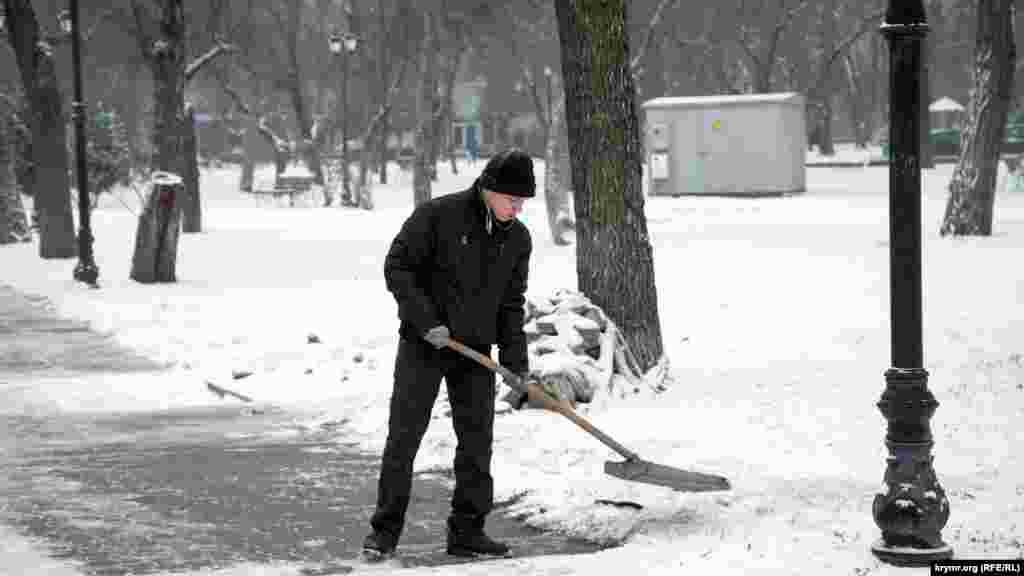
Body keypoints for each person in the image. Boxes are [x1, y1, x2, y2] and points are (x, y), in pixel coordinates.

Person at [364, 149, 535, 559]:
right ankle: (383, 534)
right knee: (404, 438)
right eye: (512, 198)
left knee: (477, 443)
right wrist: (426, 321)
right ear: (489, 189)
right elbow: (397, 267)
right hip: (424, 345)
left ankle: (467, 532)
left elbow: (512, 304)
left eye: (523, 201)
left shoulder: (518, 239)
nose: (518, 207)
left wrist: (516, 366)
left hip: (474, 352)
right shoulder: (438, 216)